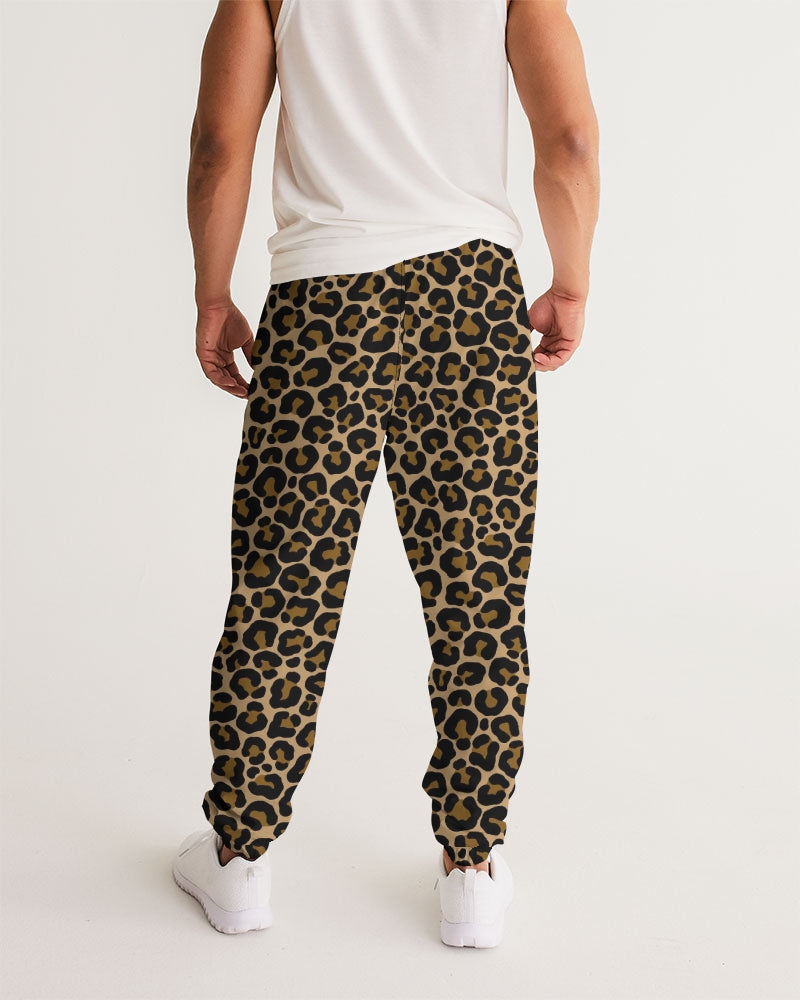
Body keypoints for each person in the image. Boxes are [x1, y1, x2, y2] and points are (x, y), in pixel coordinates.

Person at [172, 0, 599, 947]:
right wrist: (570, 280)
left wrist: (212, 291)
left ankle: (239, 860)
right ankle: (471, 868)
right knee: (479, 593)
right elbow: (567, 138)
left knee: (283, 590)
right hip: (471, 303)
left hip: (321, 304)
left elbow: (218, 142)